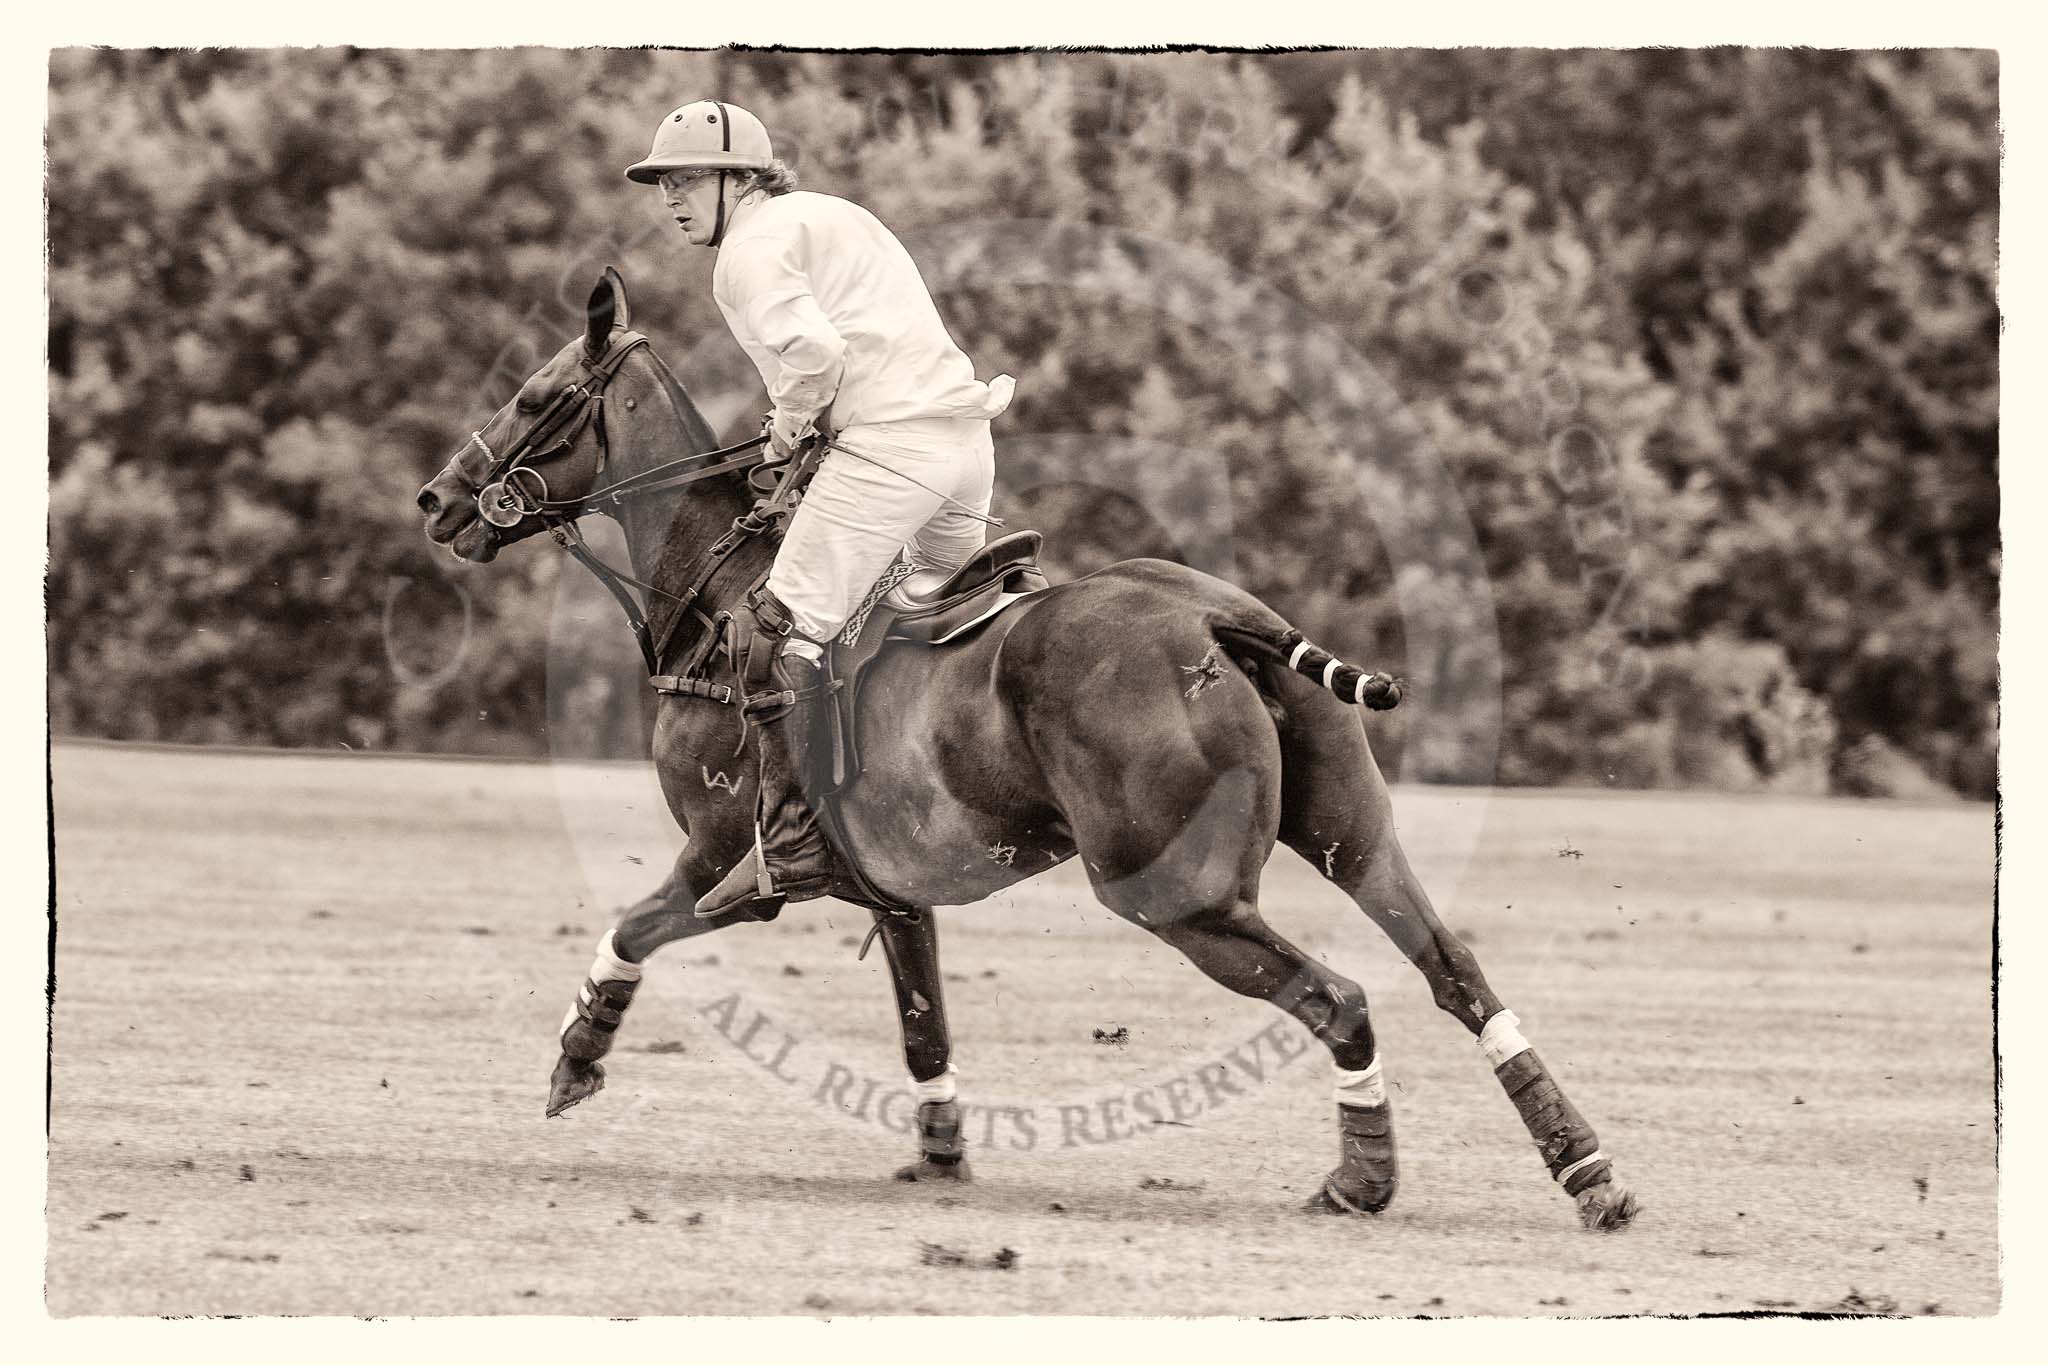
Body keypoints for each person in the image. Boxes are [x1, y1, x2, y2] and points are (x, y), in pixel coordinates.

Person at [625, 99, 1015, 919]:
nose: (670, 197)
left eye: (687, 179)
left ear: (739, 179)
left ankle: (796, 840)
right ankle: (913, 808)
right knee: (911, 627)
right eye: (664, 182)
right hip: (964, 451)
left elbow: (816, 354)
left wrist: (790, 428)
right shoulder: (829, 216)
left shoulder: (748, 252)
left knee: (773, 632)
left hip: (892, 451)